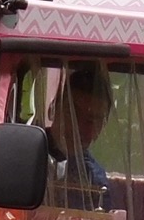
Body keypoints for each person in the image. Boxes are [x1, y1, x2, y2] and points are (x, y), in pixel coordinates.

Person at [49, 62, 118, 209]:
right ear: (55, 108)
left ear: (101, 127)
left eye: (92, 120)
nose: (78, 126)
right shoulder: (24, 154)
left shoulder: (95, 184)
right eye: (73, 114)